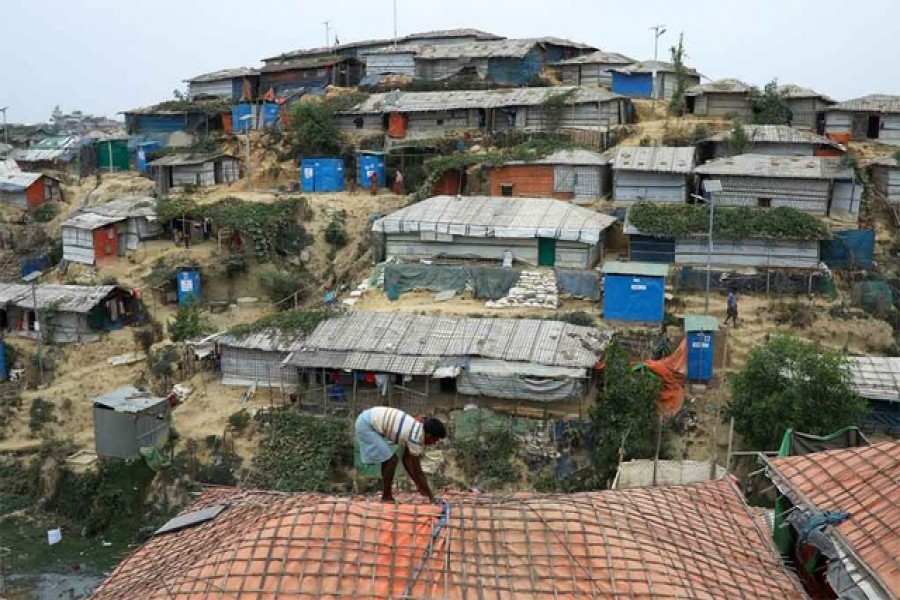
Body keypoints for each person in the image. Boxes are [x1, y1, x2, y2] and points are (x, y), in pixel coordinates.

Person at [355, 406, 446, 502]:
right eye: (435, 439)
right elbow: (418, 472)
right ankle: (386, 496)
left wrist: (418, 485)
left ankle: (387, 496)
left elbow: (406, 460)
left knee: (389, 459)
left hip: (367, 418)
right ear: (428, 435)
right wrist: (431, 497)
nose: (435, 443)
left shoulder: (416, 429)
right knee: (391, 460)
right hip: (366, 424)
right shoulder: (415, 438)